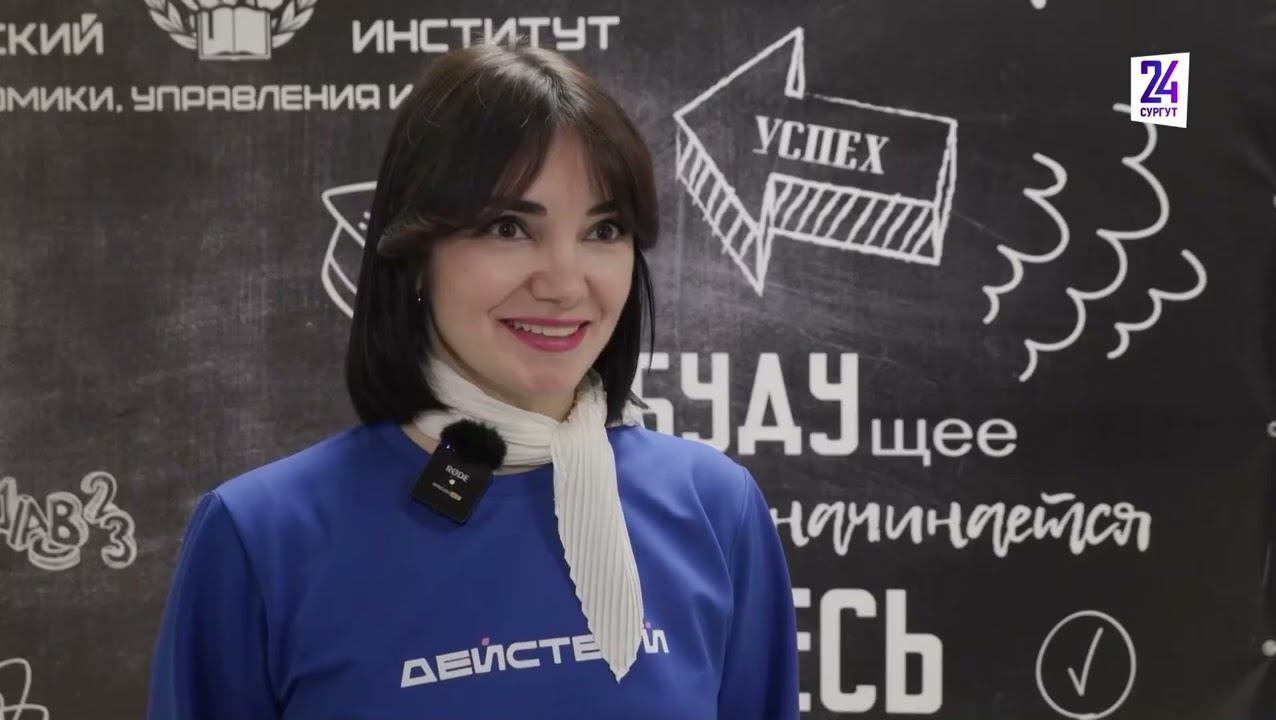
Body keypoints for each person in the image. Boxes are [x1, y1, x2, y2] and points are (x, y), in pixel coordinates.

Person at [145, 38, 799, 719]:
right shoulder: (261, 538)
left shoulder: (716, 511)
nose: (564, 284)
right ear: (415, 251)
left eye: (603, 230)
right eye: (509, 227)